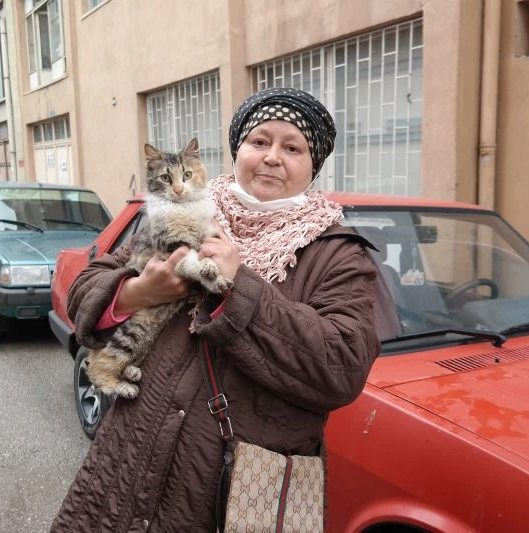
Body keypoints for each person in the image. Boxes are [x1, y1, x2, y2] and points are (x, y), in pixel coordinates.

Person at [51, 87, 384, 532]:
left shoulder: (338, 254)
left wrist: (238, 288)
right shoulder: (180, 210)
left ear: (313, 164)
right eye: (259, 141)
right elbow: (84, 289)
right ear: (237, 150)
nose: (272, 157)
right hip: (127, 466)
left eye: (293, 148)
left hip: (235, 492)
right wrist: (139, 292)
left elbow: (343, 365)